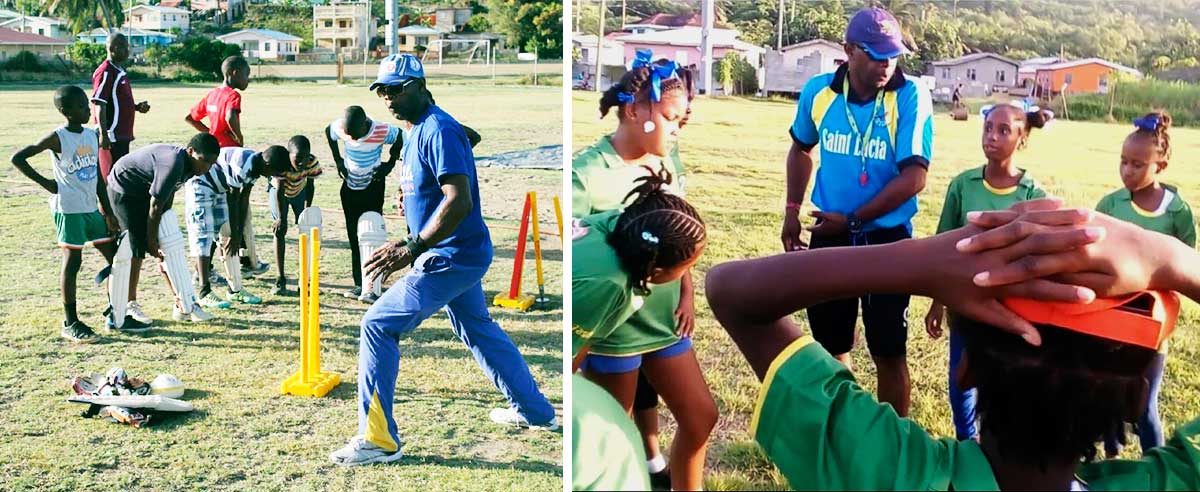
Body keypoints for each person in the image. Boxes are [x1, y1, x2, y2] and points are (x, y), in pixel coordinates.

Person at [706, 198, 1200, 490]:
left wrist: (921, 262)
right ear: (1139, 398)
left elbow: (731, 292)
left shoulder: (890, 471)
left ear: (964, 370)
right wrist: (1171, 257)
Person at [328, 54, 555, 466]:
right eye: (382, 91)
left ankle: (378, 439)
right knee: (478, 330)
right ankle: (536, 412)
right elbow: (463, 147)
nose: (388, 98)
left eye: (396, 89)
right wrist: (414, 202)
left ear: (420, 85)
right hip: (457, 252)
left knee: (377, 324)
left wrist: (411, 247)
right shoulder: (418, 130)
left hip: (450, 256)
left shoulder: (438, 129)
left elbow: (459, 200)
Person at [779, 7, 933, 416]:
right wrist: (792, 210)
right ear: (848, 50)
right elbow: (800, 148)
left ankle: (894, 441)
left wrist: (853, 219)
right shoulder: (820, 92)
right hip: (829, 235)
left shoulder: (909, 94)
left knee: (889, 350)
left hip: (887, 240)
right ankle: (846, 431)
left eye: (893, 54)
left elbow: (914, 177)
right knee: (832, 347)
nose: (887, 63)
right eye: (876, 54)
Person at [573, 50, 710, 490]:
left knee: (702, 417)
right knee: (617, 437)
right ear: (635, 110)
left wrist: (686, 292)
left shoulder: (666, 163)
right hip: (615, 334)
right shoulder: (585, 175)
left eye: (682, 122)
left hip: (665, 322)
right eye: (672, 119)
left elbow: (677, 240)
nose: (677, 130)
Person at [924, 102, 1054, 441]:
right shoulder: (962, 186)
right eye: (987, 128)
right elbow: (943, 249)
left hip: (1011, 313)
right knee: (961, 385)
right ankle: (967, 447)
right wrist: (937, 302)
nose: (992, 137)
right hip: (965, 309)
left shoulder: (1032, 195)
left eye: (1003, 131)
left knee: (1003, 389)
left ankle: (1000, 452)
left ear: (1022, 139)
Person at [570, 171, 706, 490]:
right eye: (684, 269)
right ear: (655, 271)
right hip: (598, 338)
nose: (688, 273)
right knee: (612, 436)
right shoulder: (608, 285)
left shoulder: (633, 225)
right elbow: (571, 358)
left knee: (701, 415)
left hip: (653, 333)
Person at [1099, 112, 1196, 457]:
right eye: (1123, 162)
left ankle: (1157, 462)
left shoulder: (1178, 213)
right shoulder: (1111, 204)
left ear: (1161, 166)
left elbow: (1185, 265)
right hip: (1110, 323)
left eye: (1138, 164)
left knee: (1144, 407)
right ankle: (1110, 459)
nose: (1127, 171)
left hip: (1153, 330)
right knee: (1107, 398)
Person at [9, 85, 127, 342]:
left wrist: (107, 211)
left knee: (117, 258)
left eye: (87, 104)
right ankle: (70, 322)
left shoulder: (90, 135)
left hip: (90, 208)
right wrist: (49, 184)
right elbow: (18, 158)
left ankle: (117, 311)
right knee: (73, 263)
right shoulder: (58, 137)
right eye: (82, 106)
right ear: (66, 111)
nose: (87, 109)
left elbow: (96, 176)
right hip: (69, 209)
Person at [107, 134, 220, 325]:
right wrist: (151, 241)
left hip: (145, 191)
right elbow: (156, 206)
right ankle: (129, 305)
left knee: (168, 244)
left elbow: (166, 197)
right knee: (136, 249)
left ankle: (183, 302)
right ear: (191, 151)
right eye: (204, 161)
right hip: (124, 189)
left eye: (211, 163)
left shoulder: (193, 165)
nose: (206, 167)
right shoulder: (173, 163)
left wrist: (159, 237)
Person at [185, 55, 269, 278]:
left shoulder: (213, 93)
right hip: (231, 161)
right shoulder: (233, 95)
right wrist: (238, 137)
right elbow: (231, 115)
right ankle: (248, 263)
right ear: (234, 73)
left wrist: (209, 136)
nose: (247, 79)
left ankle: (235, 262)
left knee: (219, 218)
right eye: (246, 74)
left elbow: (190, 117)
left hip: (212, 160)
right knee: (239, 213)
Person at [184, 145, 291, 309]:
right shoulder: (243, 165)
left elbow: (243, 199)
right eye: (274, 173)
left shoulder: (258, 166)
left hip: (221, 189)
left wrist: (236, 234)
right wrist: (235, 234)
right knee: (205, 235)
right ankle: (204, 291)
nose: (273, 177)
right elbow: (233, 200)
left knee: (226, 236)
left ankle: (235, 290)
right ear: (268, 166)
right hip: (201, 185)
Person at [325, 105, 404, 303]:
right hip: (350, 187)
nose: (350, 138)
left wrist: (390, 163)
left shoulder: (380, 130)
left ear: (364, 125)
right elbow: (329, 131)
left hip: (373, 186)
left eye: (354, 134)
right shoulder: (341, 128)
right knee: (354, 237)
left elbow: (401, 136)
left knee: (371, 235)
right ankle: (360, 283)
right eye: (347, 135)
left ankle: (372, 287)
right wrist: (338, 160)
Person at [91, 33, 150, 183]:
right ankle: (108, 206)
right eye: (123, 47)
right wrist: (103, 134)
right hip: (112, 135)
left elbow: (116, 101)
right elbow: (100, 102)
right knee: (112, 177)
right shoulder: (105, 71)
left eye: (127, 47)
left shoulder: (119, 70)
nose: (127, 50)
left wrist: (136, 107)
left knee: (121, 175)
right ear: (112, 48)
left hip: (123, 133)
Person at [269, 135, 323, 296]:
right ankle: (280, 279)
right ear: (288, 155)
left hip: (300, 192)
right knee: (280, 231)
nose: (302, 163)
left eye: (306, 158)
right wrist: (281, 218)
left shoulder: (312, 162)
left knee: (306, 233)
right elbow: (279, 191)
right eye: (298, 159)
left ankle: (304, 280)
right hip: (280, 196)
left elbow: (311, 185)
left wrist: (307, 208)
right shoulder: (281, 164)